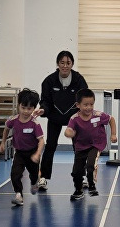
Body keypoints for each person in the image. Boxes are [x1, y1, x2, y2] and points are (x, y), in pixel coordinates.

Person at [36, 50, 88, 191]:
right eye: (62, 63)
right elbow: (45, 101)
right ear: (58, 64)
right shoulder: (49, 81)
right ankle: (43, 178)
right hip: (55, 117)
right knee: (51, 146)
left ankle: (81, 177)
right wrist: (43, 110)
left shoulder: (79, 80)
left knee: (78, 147)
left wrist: (84, 115)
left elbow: (84, 99)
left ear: (72, 64)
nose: (65, 66)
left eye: (68, 63)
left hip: (74, 119)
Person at [64, 88, 117, 201]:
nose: (89, 107)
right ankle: (78, 190)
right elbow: (69, 130)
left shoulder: (98, 115)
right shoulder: (74, 119)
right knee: (76, 171)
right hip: (81, 146)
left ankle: (92, 185)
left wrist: (113, 134)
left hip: (96, 145)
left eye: (91, 104)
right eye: (85, 105)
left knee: (90, 165)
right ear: (78, 105)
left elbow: (111, 119)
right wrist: (69, 132)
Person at [0, 88, 45, 206]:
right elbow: (6, 129)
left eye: (29, 108)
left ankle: (35, 182)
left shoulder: (35, 124)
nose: (25, 111)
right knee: (15, 174)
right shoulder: (13, 120)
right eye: (23, 107)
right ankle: (18, 194)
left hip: (32, 153)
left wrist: (37, 154)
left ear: (34, 109)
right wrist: (3, 143)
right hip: (19, 153)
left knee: (33, 174)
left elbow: (41, 141)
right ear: (19, 105)